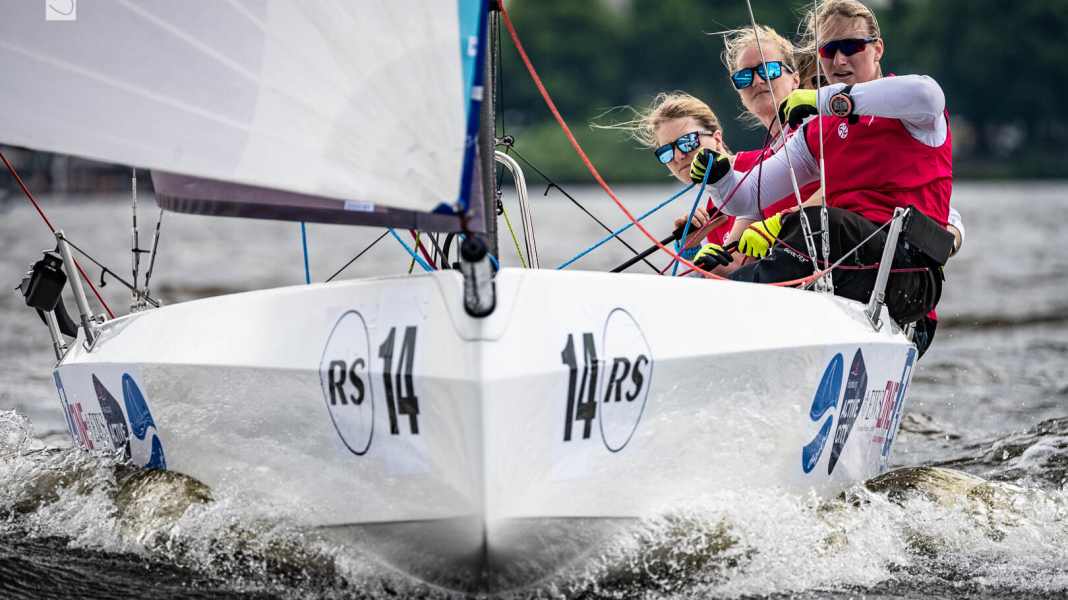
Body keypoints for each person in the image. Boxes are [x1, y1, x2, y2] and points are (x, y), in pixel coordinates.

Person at [688, 0, 955, 354]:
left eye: (851, 47)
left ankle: (731, 298)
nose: (840, 60)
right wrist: (720, 179)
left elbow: (927, 93)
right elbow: (749, 197)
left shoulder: (915, 112)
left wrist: (825, 99)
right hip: (849, 269)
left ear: (877, 50)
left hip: (909, 278)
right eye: (829, 50)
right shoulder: (816, 132)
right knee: (814, 226)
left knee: (815, 222)